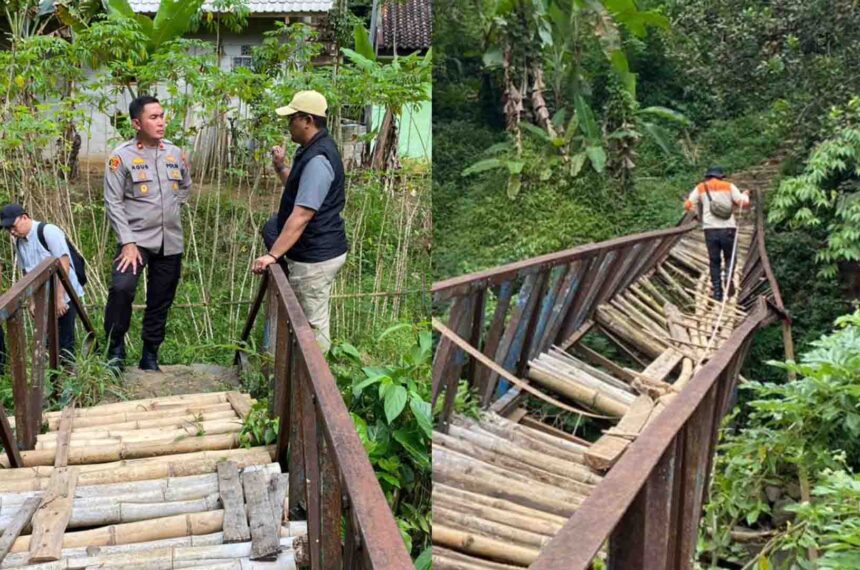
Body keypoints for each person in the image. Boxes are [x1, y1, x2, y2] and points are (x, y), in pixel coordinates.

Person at [252, 90, 348, 352]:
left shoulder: (318, 158)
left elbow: (303, 213)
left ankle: (318, 386)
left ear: (307, 120)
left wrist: (272, 255)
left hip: (316, 256)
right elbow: (300, 189)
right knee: (305, 319)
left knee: (313, 325)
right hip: (316, 250)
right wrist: (280, 167)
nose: (288, 124)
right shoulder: (312, 150)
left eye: (292, 118)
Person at [103, 95, 191, 371]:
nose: (161, 122)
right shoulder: (121, 157)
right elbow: (113, 201)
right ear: (136, 123)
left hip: (170, 240)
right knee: (122, 289)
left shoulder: (175, 153)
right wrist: (127, 242)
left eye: (162, 116)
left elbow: (186, 186)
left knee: (161, 299)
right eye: (153, 118)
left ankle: (150, 354)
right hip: (136, 241)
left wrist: (170, 209)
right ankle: (115, 349)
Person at [0, 204, 85, 362]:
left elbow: (64, 264)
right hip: (43, 294)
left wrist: (60, 298)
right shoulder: (19, 243)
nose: (11, 231)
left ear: (25, 217)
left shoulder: (48, 231)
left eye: (13, 226)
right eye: (8, 229)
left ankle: (69, 379)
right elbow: (28, 273)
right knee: (47, 342)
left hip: (65, 291)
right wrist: (32, 301)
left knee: (65, 342)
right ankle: (53, 380)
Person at [684, 166, 750, 301]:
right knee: (730, 257)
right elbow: (743, 203)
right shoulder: (729, 186)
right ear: (721, 176)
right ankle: (728, 278)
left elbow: (688, 204)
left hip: (710, 229)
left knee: (714, 261)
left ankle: (717, 293)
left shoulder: (701, 187)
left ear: (708, 176)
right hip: (728, 228)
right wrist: (745, 195)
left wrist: (696, 214)